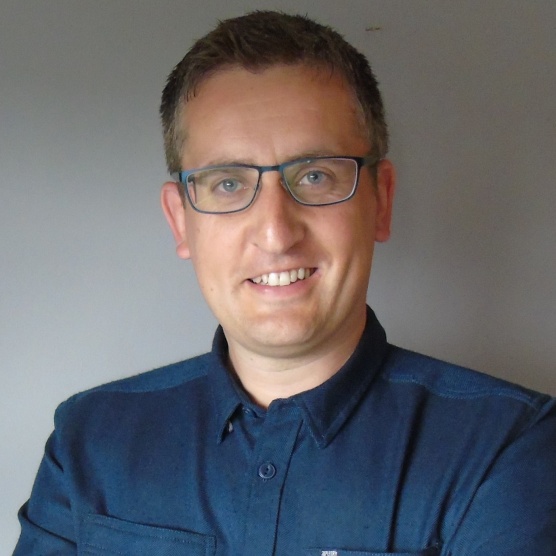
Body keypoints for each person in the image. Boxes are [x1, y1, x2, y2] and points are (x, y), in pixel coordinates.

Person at [14, 10, 556, 555]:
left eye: (315, 176)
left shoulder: (507, 445)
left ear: (381, 201)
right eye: (228, 183)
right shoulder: (88, 440)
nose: (276, 233)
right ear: (180, 221)